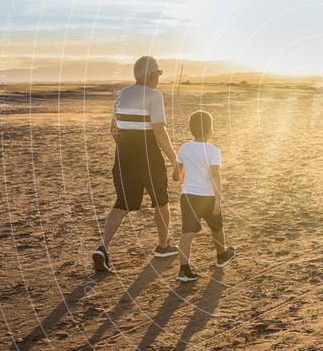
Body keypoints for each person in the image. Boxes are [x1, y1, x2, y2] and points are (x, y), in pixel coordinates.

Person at [93, 56, 180, 273]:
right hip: (149, 157)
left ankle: (103, 248)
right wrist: (174, 160)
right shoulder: (153, 95)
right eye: (158, 73)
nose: (159, 78)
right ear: (151, 75)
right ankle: (163, 246)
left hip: (123, 157)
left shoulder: (122, 94)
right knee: (161, 201)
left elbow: (113, 129)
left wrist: (125, 147)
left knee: (122, 204)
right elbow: (159, 133)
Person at [173, 110, 236, 282]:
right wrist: (218, 199)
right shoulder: (213, 150)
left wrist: (186, 171)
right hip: (207, 196)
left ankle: (184, 269)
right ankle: (222, 255)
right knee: (217, 226)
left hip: (188, 196)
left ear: (191, 129)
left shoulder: (184, 148)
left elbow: (176, 176)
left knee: (187, 232)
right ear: (210, 130)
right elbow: (215, 175)